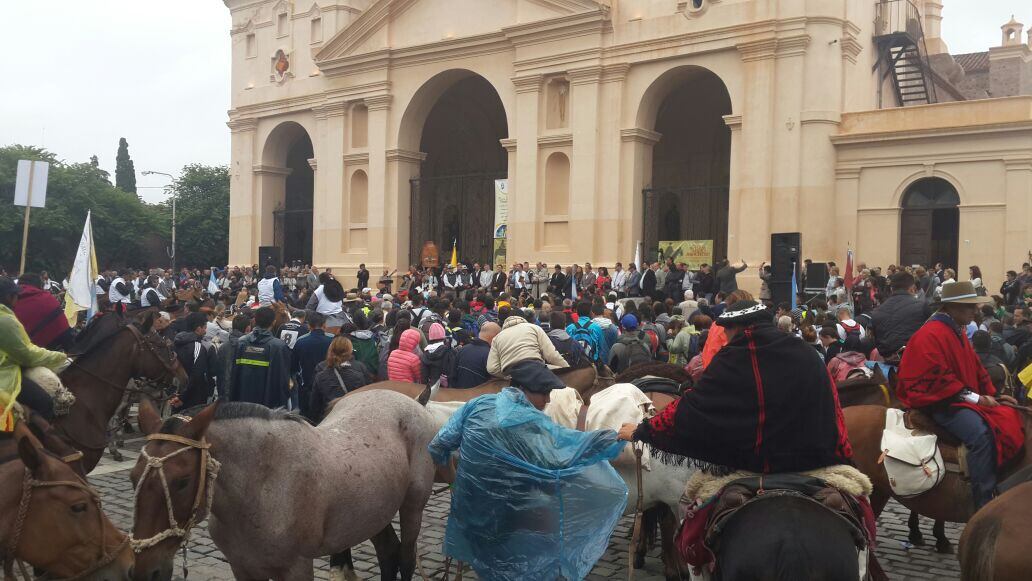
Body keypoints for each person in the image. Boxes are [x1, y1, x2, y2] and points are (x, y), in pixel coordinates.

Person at [428, 361, 627, 581]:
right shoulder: (532, 423)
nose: (548, 400)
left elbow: (438, 446)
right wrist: (613, 437)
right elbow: (562, 456)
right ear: (523, 389)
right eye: (544, 393)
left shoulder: (476, 405)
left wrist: (454, 484)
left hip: (469, 512)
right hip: (514, 516)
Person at [618, 300, 852, 473]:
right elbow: (833, 409)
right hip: (817, 460)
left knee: (696, 524)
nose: (726, 337)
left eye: (726, 330)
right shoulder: (806, 353)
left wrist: (643, 430)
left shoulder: (736, 357)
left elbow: (693, 409)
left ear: (738, 328)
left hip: (757, 465)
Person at [896, 281, 1025, 509]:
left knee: (1008, 416)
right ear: (952, 307)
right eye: (969, 307)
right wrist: (977, 398)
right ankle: (982, 500)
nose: (975, 311)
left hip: (958, 399)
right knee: (981, 436)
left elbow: (974, 367)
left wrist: (995, 394)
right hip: (941, 403)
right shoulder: (931, 334)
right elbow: (937, 378)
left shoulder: (956, 330)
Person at [0, 277, 69, 428]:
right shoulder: (5, 320)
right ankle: (36, 447)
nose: (18, 299)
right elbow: (26, 356)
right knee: (45, 402)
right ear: (9, 297)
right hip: (5, 373)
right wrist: (58, 356)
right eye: (16, 296)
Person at [229, 306, 292, 408]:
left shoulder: (241, 343)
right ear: (273, 322)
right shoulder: (279, 346)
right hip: (267, 409)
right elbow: (283, 381)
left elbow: (234, 375)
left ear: (254, 321)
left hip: (242, 406)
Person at [868, 271, 929, 362]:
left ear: (892, 289)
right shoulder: (923, 306)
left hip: (888, 363)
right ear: (912, 288)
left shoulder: (877, 311)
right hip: (916, 361)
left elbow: (873, 338)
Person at [486, 314, 569, 378]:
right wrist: (568, 369)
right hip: (535, 368)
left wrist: (506, 376)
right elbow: (551, 355)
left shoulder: (497, 338)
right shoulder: (534, 328)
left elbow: (492, 368)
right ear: (523, 320)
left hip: (512, 373)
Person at [309, 335, 370, 422]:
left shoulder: (320, 375)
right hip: (352, 420)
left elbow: (314, 407)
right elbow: (364, 401)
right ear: (350, 351)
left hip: (328, 421)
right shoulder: (359, 373)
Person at [12, 272, 73, 351]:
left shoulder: (12, 303)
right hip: (65, 344)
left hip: (35, 352)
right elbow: (63, 326)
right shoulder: (47, 297)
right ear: (39, 285)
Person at [170, 313, 217, 411]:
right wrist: (183, 397)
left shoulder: (174, 343)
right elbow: (197, 375)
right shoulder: (198, 346)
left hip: (174, 395)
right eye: (204, 327)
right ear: (198, 328)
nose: (205, 331)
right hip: (193, 397)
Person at [452, 322, 501, 388]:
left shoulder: (463, 350)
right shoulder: (491, 356)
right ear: (495, 338)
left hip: (457, 395)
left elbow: (453, 377)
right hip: (479, 396)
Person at [218, 314, 251, 400]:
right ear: (248, 328)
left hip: (223, 395)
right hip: (243, 395)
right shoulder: (249, 348)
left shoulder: (222, 347)